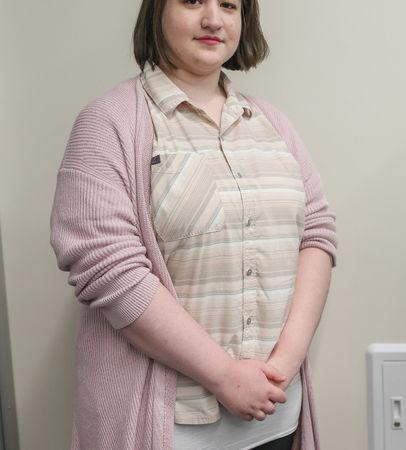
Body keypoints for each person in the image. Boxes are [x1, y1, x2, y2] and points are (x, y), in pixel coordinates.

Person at [50, 0, 336, 449]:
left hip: (277, 418)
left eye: (229, 5)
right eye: (192, 1)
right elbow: (109, 270)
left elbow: (317, 234)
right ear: (157, 12)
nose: (213, 19)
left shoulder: (270, 123)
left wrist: (286, 362)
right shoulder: (108, 123)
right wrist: (224, 376)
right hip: (170, 430)